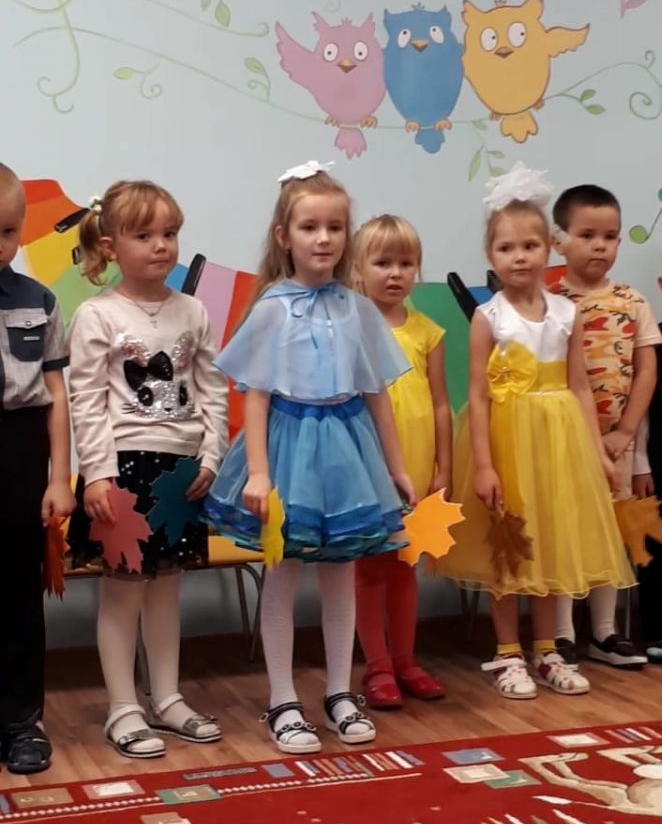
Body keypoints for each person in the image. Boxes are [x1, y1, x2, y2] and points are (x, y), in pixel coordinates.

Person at [204, 161, 416, 753]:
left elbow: (376, 393)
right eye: (309, 227)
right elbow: (255, 394)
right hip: (289, 450)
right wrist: (260, 472)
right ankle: (282, 699)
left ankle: (340, 692)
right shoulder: (272, 306)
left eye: (335, 227)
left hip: (348, 453)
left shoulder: (358, 308)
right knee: (283, 570)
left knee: (341, 574)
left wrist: (396, 466)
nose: (323, 238)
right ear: (284, 236)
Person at [439, 162, 634, 699]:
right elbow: (478, 394)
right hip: (507, 444)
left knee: (549, 546)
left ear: (549, 248)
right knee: (509, 549)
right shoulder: (489, 318)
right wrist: (483, 465)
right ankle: (508, 654)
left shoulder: (567, 313)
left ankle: (547, 651)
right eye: (506, 248)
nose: (519, 257)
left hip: (559, 445)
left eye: (529, 246)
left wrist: (596, 452)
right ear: (490, 256)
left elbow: (579, 387)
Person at [68, 181, 227, 759]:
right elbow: (86, 400)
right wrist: (96, 473)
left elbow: (213, 388)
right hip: (122, 470)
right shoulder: (97, 315)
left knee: (166, 591)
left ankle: (167, 698)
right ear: (111, 246)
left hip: (182, 470)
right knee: (123, 593)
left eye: (170, 233)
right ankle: (122, 707)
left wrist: (212, 454)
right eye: (144, 235)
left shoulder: (194, 310)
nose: (161, 245)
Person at [550, 184, 660, 668]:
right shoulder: (549, 302)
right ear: (559, 241)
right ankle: (559, 634)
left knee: (607, 532)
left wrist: (626, 432)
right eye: (587, 235)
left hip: (616, 443)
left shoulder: (632, 301)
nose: (600, 246)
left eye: (610, 237)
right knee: (564, 531)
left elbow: (646, 371)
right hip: (564, 442)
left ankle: (604, 632)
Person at [352, 214, 451, 708]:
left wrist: (443, 466)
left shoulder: (428, 332)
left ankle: (406, 660)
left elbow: (440, 404)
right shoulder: (352, 328)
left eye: (406, 263)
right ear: (358, 268)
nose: (395, 273)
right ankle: (377, 666)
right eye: (383, 262)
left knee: (405, 565)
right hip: (369, 467)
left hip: (417, 463)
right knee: (371, 568)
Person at [0, 164, 73, 774]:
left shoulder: (39, 301)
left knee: (20, 595)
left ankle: (22, 721)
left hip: (21, 451)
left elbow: (55, 395)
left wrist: (58, 477)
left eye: (6, 231)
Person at [632, 239, 662, 663]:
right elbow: (641, 409)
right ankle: (660, 630)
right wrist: (640, 463)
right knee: (659, 547)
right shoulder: (655, 343)